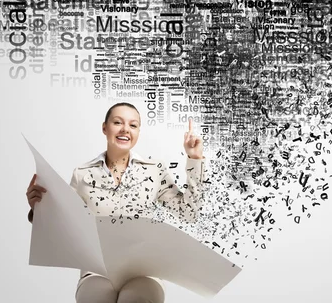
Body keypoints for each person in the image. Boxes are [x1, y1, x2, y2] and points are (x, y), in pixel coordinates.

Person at [26, 102, 206, 303]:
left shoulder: (155, 171)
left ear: (138, 131)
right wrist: (39, 209)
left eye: (133, 125)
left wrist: (195, 159)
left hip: (144, 272)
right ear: (105, 127)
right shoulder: (83, 174)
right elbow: (65, 227)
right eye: (118, 122)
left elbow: (189, 213)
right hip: (97, 271)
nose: (125, 130)